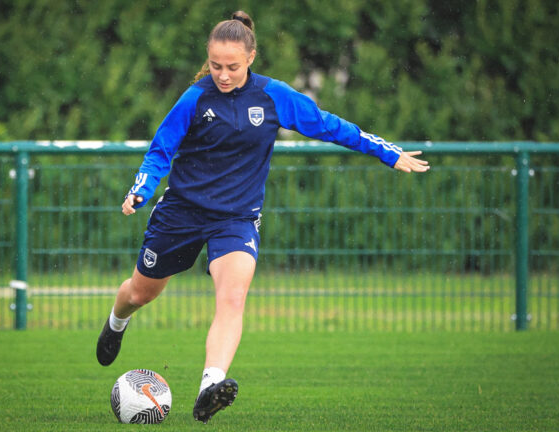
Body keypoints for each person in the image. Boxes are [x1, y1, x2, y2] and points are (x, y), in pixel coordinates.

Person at [96, 10, 430, 424]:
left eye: (232, 67)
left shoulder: (275, 96)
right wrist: (141, 190)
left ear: (251, 57)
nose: (223, 74)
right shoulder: (195, 99)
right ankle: (116, 321)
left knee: (232, 297)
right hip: (181, 213)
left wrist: (388, 151)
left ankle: (210, 386)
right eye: (216, 65)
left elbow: (331, 126)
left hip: (236, 218)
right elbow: (160, 150)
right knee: (140, 293)